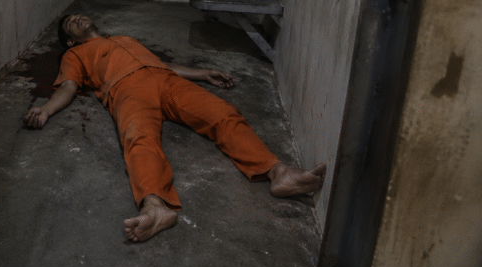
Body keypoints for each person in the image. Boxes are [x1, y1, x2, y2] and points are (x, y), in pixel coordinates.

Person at [25, 13, 326, 243]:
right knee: (139, 138)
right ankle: (155, 207)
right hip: (130, 90)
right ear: (70, 41)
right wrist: (45, 109)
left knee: (222, 113)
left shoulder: (124, 38)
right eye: (70, 23)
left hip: (168, 85)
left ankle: (278, 172)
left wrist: (202, 73)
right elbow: (68, 86)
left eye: (79, 16)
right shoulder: (74, 55)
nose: (77, 19)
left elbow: (163, 65)